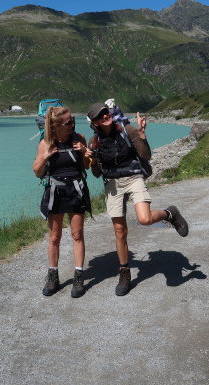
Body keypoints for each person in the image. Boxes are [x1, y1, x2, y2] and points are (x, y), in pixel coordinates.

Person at [87, 102, 189, 296]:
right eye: (100, 116)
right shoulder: (95, 141)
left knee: (144, 219)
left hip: (133, 177)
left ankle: (170, 214)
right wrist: (93, 159)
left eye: (105, 112)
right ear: (95, 123)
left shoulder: (127, 129)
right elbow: (96, 173)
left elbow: (145, 155)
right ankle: (124, 272)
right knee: (119, 230)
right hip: (112, 183)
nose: (105, 116)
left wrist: (141, 134)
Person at [33, 106, 93, 298]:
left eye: (73, 120)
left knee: (77, 235)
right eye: (68, 123)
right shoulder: (46, 143)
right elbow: (37, 171)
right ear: (56, 125)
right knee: (54, 237)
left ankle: (78, 275)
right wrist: (45, 156)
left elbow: (86, 167)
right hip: (56, 192)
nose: (72, 124)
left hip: (76, 190)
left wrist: (85, 152)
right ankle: (53, 275)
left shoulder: (79, 138)